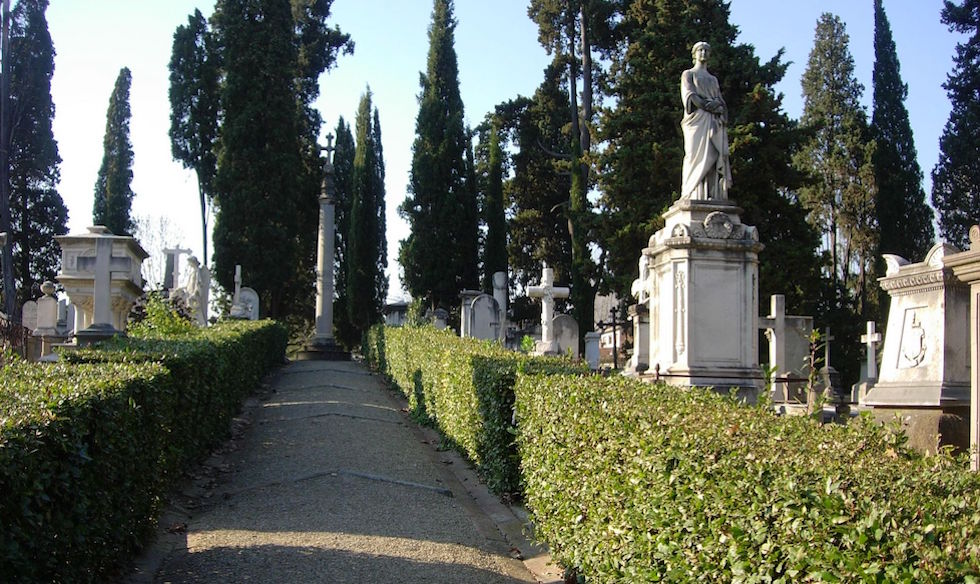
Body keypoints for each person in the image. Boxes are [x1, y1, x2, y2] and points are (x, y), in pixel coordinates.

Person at [680, 41, 732, 201]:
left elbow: (721, 101)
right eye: (700, 50)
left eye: (706, 50)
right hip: (696, 121)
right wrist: (707, 105)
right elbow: (689, 95)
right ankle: (691, 192)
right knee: (693, 155)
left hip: (712, 121)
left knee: (713, 155)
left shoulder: (713, 79)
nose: (703, 53)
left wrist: (718, 105)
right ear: (694, 54)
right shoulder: (688, 74)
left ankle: (711, 194)